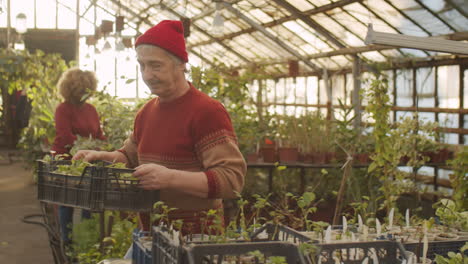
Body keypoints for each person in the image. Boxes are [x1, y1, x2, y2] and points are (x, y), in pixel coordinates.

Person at [73, 20, 246, 234]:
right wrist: (105, 157)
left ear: (181, 64)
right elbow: (131, 157)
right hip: (151, 233)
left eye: (156, 65)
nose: (147, 75)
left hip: (197, 239)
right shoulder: (145, 113)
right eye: (142, 66)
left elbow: (232, 179)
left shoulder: (206, 112)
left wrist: (170, 178)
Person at [51, 68, 106, 245]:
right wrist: (90, 147)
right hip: (66, 160)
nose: (83, 94)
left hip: (87, 161)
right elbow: (65, 136)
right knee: (66, 200)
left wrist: (106, 146)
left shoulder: (91, 109)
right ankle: (66, 241)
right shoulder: (63, 109)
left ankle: (85, 241)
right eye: (80, 91)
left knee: (88, 200)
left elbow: (98, 133)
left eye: (86, 91)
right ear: (71, 90)